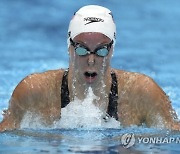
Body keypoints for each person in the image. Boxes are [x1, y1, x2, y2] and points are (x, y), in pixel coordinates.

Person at [0, 5, 180, 132]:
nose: (91, 60)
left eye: (101, 50)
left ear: (111, 50)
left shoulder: (142, 93)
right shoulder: (34, 92)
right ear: (69, 47)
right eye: (81, 49)